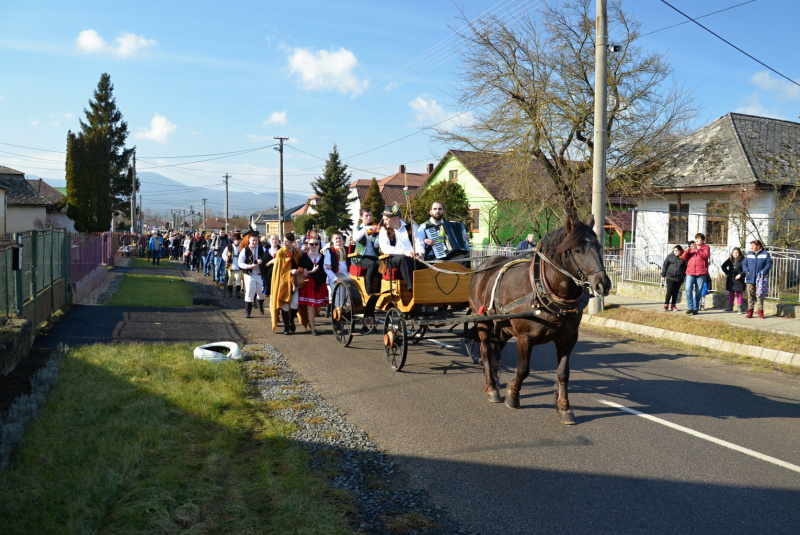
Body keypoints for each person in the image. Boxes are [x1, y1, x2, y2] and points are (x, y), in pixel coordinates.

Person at [270, 232, 308, 335]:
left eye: (286, 241)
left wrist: (301, 269)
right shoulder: (280, 252)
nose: (284, 243)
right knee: (284, 304)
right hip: (283, 282)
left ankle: (291, 320)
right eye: (283, 241)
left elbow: (301, 263)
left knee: (295, 303)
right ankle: (286, 327)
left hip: (295, 282)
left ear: (292, 242)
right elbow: (278, 269)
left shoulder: (297, 252)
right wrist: (290, 271)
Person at [378, 203, 421, 292]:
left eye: (386, 219)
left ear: (394, 218)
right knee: (403, 259)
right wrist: (403, 252)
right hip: (392, 259)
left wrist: (421, 253)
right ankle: (413, 290)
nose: (384, 222)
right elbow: (385, 248)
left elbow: (419, 242)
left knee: (429, 261)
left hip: (412, 257)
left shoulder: (411, 227)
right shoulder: (384, 230)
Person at [298, 235, 326, 335]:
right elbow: (300, 271)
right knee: (312, 306)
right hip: (310, 284)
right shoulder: (304, 257)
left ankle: (311, 320)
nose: (314, 246)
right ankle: (313, 329)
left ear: (319, 245)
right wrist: (309, 271)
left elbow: (326, 270)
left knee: (318, 308)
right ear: (308, 245)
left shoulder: (323, 257)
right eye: (311, 244)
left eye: (316, 244)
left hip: (320, 284)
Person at [351, 208, 381, 295]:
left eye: (370, 215)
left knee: (383, 265)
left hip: (374, 256)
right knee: (372, 264)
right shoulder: (357, 228)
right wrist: (365, 229)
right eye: (366, 216)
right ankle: (369, 290)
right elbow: (355, 239)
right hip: (360, 257)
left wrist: (379, 234)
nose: (369, 217)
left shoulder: (375, 228)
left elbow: (376, 245)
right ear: (361, 217)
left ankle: (379, 290)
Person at [238, 233, 267, 318]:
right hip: (249, 275)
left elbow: (267, 259)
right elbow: (240, 263)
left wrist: (262, 261)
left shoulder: (262, 249)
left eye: (256, 240)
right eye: (253, 240)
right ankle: (248, 311)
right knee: (250, 292)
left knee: (261, 293)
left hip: (260, 274)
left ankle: (260, 305)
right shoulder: (245, 250)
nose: (254, 242)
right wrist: (249, 266)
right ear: (249, 240)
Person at [681, 233, 710, 315]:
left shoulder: (706, 247)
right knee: (688, 289)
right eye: (696, 238)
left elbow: (705, 256)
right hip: (690, 272)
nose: (697, 240)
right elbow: (684, 258)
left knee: (698, 291)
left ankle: (696, 308)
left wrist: (697, 250)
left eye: (699, 239)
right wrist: (687, 251)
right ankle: (690, 307)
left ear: (703, 240)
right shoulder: (692, 247)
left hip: (701, 273)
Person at [743, 239, 772, 319]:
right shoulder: (749, 254)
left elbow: (768, 264)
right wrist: (746, 271)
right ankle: (750, 312)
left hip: (760, 280)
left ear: (758, 246)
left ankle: (760, 312)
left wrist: (763, 272)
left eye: (753, 246)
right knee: (750, 296)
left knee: (760, 296)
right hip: (750, 279)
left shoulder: (765, 254)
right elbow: (744, 264)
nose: (751, 247)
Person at [661, 245, 686, 311]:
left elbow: (685, 268)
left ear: (680, 251)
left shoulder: (683, 258)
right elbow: (665, 266)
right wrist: (663, 275)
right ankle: (666, 305)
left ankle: (673, 306)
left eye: (677, 251)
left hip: (679, 278)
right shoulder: (670, 257)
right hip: (670, 277)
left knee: (675, 292)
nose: (675, 252)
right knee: (669, 291)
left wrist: (683, 276)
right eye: (674, 251)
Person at [721, 247, 746, 314]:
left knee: (739, 293)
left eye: (737, 253)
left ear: (739, 253)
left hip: (739, 280)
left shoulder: (743, 260)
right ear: (732, 253)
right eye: (734, 253)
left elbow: (746, 270)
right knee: (731, 293)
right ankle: (730, 307)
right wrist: (728, 272)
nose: (735, 254)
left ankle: (740, 309)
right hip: (731, 279)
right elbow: (723, 266)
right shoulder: (730, 259)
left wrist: (740, 275)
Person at [222, 232, 243, 298]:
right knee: (230, 279)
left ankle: (238, 293)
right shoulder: (229, 247)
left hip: (238, 265)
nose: (238, 241)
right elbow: (223, 254)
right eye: (237, 240)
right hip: (231, 265)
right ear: (234, 240)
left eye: (239, 240)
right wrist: (226, 258)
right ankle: (230, 292)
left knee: (238, 279)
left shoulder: (241, 247)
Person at [263, 234, 280, 300]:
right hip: (269, 276)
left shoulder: (281, 251)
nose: (274, 241)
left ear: (278, 241)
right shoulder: (267, 251)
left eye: (276, 239)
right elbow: (264, 265)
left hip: (279, 275)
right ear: (270, 241)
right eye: (273, 239)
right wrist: (271, 262)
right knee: (271, 295)